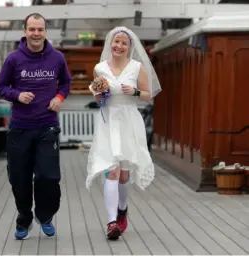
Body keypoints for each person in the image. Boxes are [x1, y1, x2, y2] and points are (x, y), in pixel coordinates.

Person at [0, 13, 71, 240]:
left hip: (47, 126)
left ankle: (45, 216)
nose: (36, 34)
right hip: (20, 128)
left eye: (40, 29)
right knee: (19, 178)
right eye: (32, 29)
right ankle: (24, 219)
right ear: (25, 31)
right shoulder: (13, 59)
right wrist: (17, 95)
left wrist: (59, 97)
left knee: (48, 176)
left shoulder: (57, 58)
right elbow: (0, 87)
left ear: (45, 31)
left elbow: (66, 82)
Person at [86, 27, 161, 240]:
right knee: (112, 170)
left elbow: (148, 95)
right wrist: (101, 93)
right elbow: (99, 99)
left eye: (123, 43)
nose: (118, 46)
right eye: (116, 42)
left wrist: (136, 92)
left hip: (129, 121)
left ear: (129, 47)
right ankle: (111, 223)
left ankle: (122, 209)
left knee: (124, 173)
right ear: (110, 44)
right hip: (108, 122)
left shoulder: (137, 68)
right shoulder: (99, 68)